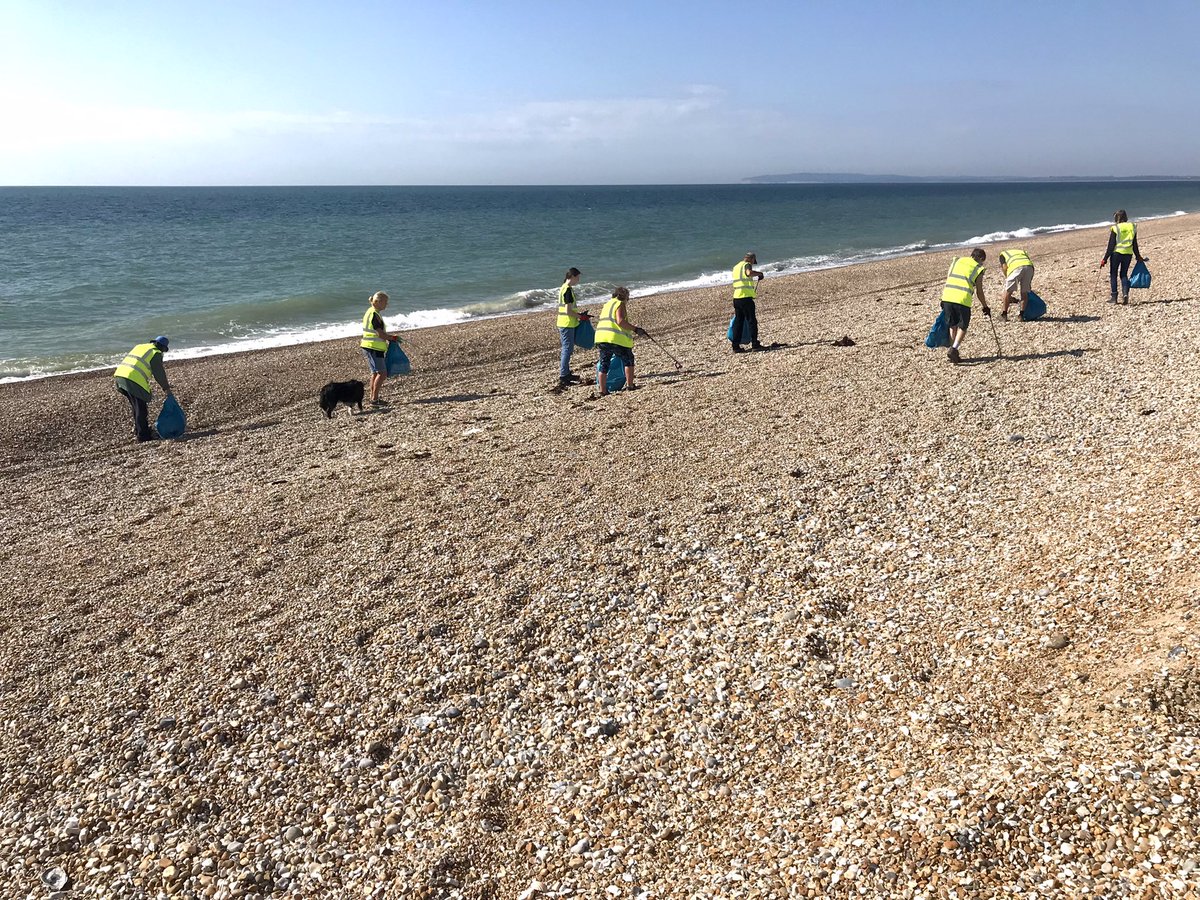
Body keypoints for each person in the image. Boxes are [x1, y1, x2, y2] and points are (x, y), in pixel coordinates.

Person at [113, 336, 171, 442]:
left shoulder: (141, 347)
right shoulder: (155, 353)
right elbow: (159, 373)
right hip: (133, 379)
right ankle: (143, 436)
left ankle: (139, 430)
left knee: (136, 407)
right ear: (163, 348)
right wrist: (166, 388)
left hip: (120, 376)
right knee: (141, 409)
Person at [940, 249, 991, 364]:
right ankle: (954, 349)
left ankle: (952, 350)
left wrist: (942, 298)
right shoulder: (978, 268)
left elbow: (949, 278)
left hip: (947, 296)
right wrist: (985, 306)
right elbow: (979, 292)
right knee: (963, 326)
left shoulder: (956, 261)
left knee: (952, 325)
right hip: (962, 299)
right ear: (981, 259)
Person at [595, 286, 644, 396]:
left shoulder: (607, 304)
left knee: (604, 363)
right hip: (614, 338)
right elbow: (620, 321)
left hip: (601, 337)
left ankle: (602, 390)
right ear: (624, 297)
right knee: (628, 359)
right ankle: (630, 385)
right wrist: (635, 329)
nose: (628, 301)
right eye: (628, 298)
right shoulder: (619, 304)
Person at [360, 290, 400, 406]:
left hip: (368, 346)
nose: (387, 305)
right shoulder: (374, 315)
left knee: (375, 373)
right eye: (385, 302)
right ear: (378, 302)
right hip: (374, 347)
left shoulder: (370, 312)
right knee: (382, 373)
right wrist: (392, 338)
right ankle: (374, 400)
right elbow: (380, 334)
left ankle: (373, 398)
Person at [1101, 210, 1149, 305]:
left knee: (1113, 274)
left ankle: (1114, 297)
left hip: (1116, 254)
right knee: (1123, 274)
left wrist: (1105, 258)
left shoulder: (1116, 228)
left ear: (1117, 218)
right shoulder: (1132, 227)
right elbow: (1134, 243)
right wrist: (1138, 256)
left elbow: (1111, 246)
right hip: (1128, 253)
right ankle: (1125, 294)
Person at [556, 267, 591, 387]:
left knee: (568, 348)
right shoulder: (567, 290)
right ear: (572, 277)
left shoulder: (564, 288)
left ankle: (566, 373)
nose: (578, 280)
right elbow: (568, 311)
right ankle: (564, 375)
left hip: (567, 323)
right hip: (566, 323)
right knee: (567, 349)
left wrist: (580, 315)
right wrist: (580, 317)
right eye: (578, 278)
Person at [731, 252, 766, 352]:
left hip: (736, 297)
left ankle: (735, 346)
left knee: (739, 322)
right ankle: (755, 344)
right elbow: (749, 273)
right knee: (751, 321)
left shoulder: (736, 267)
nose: (753, 263)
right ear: (751, 259)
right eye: (753, 261)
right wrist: (760, 274)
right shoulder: (746, 265)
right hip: (745, 298)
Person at [998, 248, 1034, 320]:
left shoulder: (1002, 254)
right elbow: (1028, 261)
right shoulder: (1023, 252)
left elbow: (1005, 267)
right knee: (1024, 292)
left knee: (1008, 291)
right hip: (1029, 267)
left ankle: (1004, 315)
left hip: (1016, 268)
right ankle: (1021, 315)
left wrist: (1007, 277)